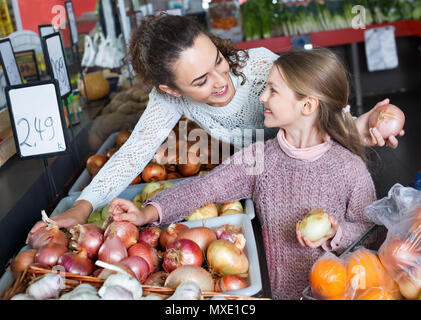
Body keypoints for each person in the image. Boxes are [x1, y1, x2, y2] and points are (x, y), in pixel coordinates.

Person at [28, 14, 403, 236]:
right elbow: (133, 154)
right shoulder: (167, 100)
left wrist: (357, 125)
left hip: (320, 189)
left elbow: (313, 110)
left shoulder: (257, 66)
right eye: (200, 81)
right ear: (170, 88)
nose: (220, 81)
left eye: (218, 61)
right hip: (265, 190)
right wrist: (83, 205)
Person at [107, 48, 377, 299]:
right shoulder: (260, 159)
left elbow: (371, 233)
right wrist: (148, 212)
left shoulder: (349, 169)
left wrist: (336, 233)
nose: (262, 97)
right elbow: (204, 189)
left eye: (273, 90)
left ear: (307, 106)